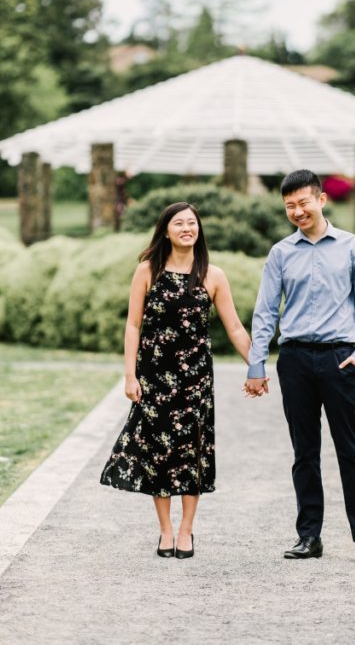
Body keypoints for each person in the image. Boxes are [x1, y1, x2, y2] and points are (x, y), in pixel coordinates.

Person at [243, 169, 355, 567]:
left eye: (303, 202)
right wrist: (257, 365)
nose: (297, 211)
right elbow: (266, 312)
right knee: (304, 452)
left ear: (321, 200)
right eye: (289, 206)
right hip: (296, 361)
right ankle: (309, 536)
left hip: (341, 358)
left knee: (351, 451)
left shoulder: (352, 247)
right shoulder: (281, 253)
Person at [100, 201, 254, 559]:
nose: (187, 228)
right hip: (154, 378)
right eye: (179, 223)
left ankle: (186, 530)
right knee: (159, 453)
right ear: (166, 230)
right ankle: (165, 530)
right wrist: (129, 375)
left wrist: (257, 365)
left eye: (192, 223)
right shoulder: (147, 270)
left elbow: (233, 326)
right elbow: (133, 325)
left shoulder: (213, 275)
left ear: (198, 230)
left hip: (195, 380)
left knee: (191, 453)